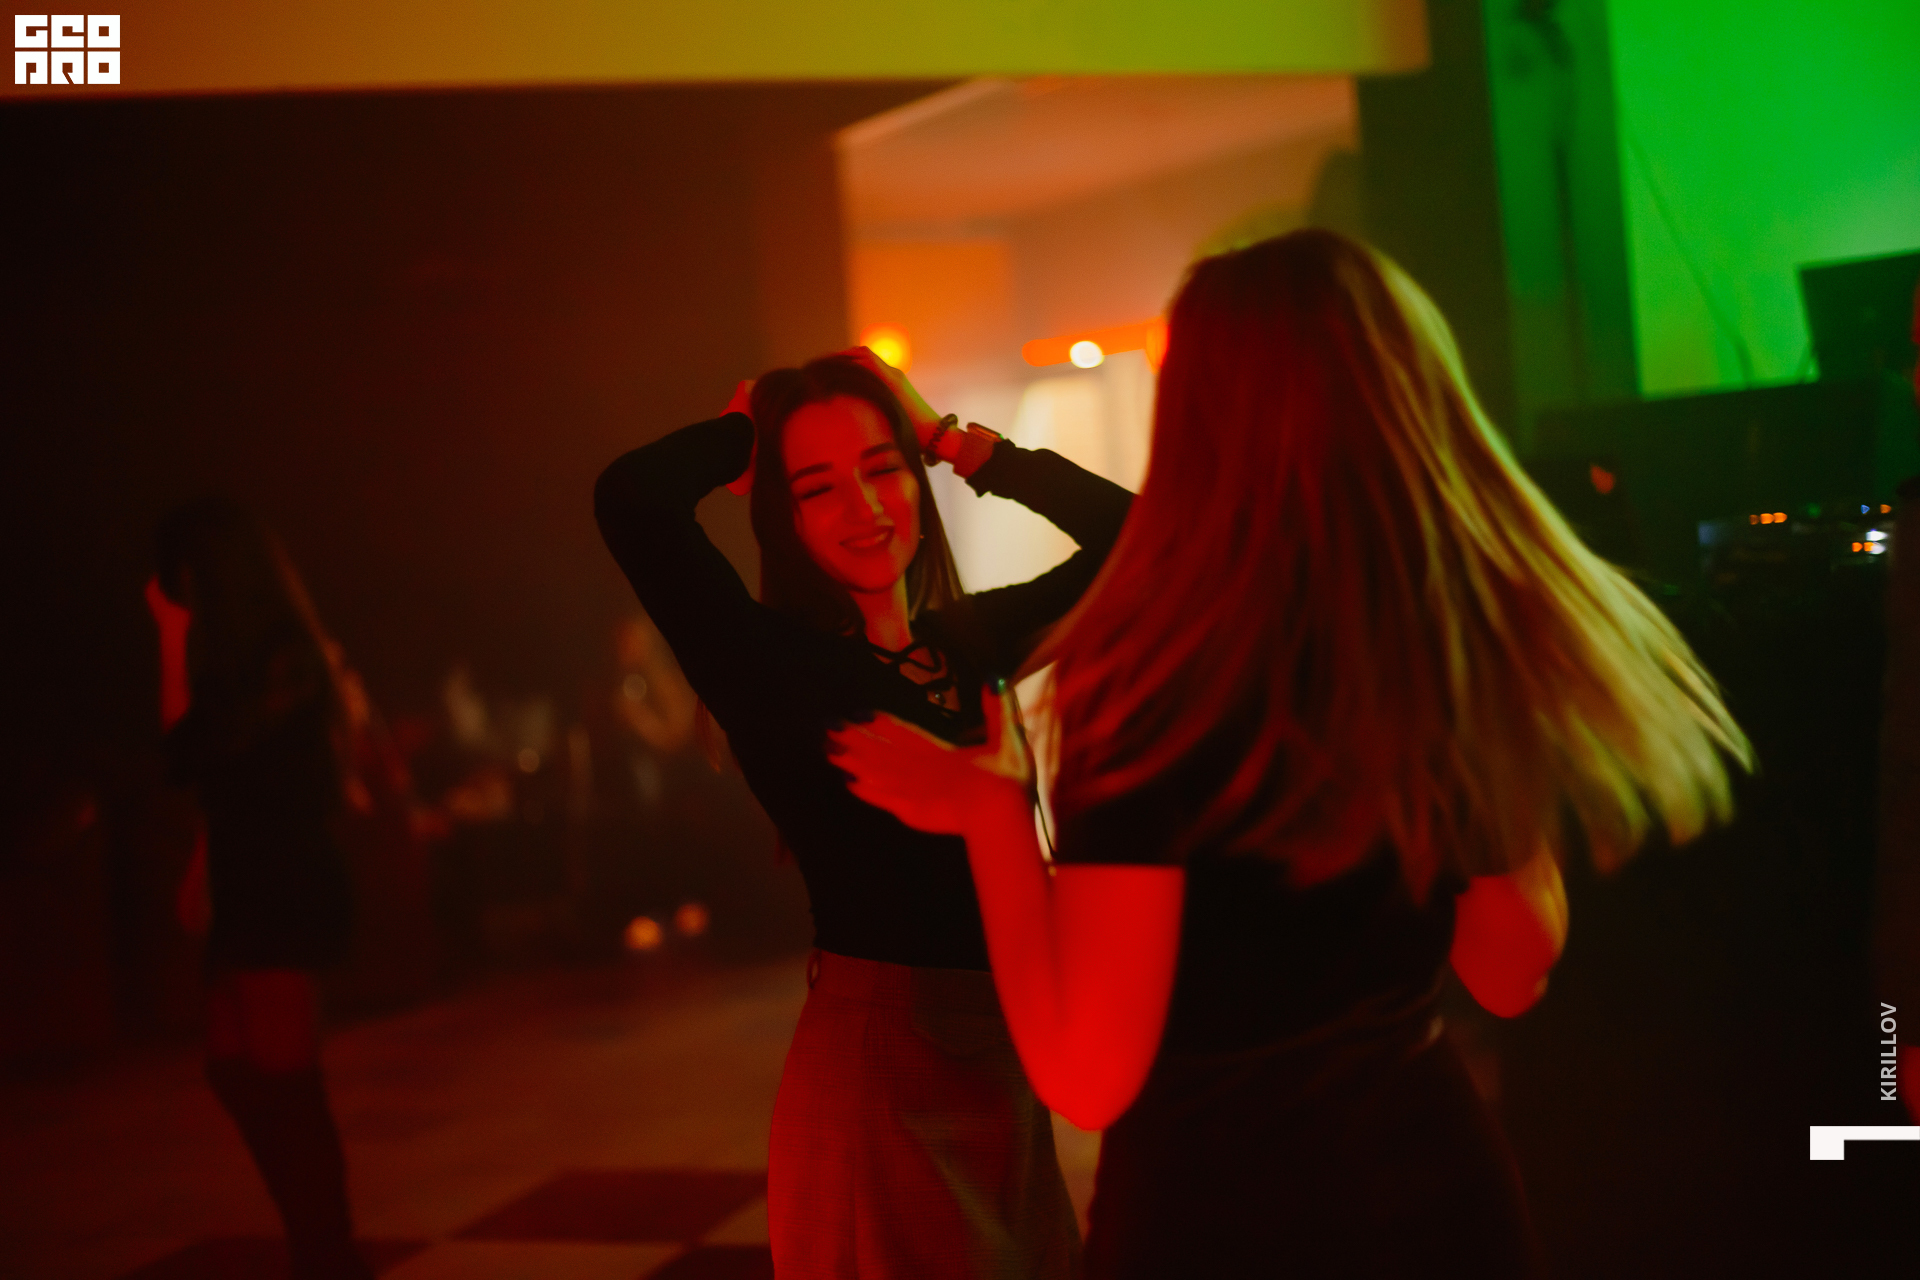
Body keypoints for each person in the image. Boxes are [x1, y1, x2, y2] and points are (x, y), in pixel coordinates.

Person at [829, 231, 1751, 1278]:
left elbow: (1086, 1075)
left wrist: (991, 815)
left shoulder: (1153, 678)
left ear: (1197, 420)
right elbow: (1510, 968)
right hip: (1435, 1201)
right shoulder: (1432, 647)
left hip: (1219, 1214)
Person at [593, 349, 1132, 1278]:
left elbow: (1151, 542)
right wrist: (742, 433)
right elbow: (632, 498)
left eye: (884, 469)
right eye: (819, 488)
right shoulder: (765, 662)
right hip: (882, 1065)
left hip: (1009, 1057)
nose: (867, 507)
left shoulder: (969, 641)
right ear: (786, 518)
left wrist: (952, 441)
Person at [150, 496, 373, 1280]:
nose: (175, 592)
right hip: (248, 873)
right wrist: (202, 861)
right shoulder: (239, 663)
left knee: (285, 1082)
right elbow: (205, 769)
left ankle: (328, 1256)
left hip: (285, 877)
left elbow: (191, 752)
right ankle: (321, 1246)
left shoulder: (286, 658)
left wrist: (170, 635)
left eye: (182, 577)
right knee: (233, 1067)